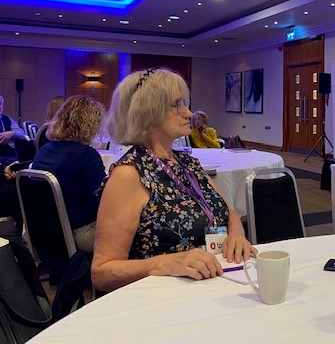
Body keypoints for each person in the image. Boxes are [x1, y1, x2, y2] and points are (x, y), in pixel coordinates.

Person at [92, 68, 256, 292]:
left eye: (186, 103)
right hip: (165, 298)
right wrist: (163, 263)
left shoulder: (187, 163)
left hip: (216, 284)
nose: (188, 113)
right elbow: (101, 273)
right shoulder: (129, 174)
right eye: (177, 104)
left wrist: (236, 235)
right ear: (148, 112)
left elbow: (230, 215)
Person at [32, 96, 106, 253]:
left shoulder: (44, 151)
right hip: (78, 233)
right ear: (90, 124)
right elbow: (100, 204)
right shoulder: (87, 156)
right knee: (136, 230)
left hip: (45, 230)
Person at [0, 95, 27, 159]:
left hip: (9, 154)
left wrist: (12, 133)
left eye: (0, 104)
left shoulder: (6, 119)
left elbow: (22, 133)